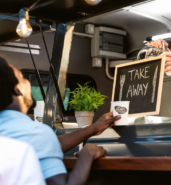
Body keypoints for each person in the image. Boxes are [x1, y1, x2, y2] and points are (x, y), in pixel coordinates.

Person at [0, 56, 121, 185]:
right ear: (17, 89)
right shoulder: (35, 133)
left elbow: (44, 144)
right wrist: (87, 154)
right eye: (22, 77)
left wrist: (94, 128)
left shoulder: (15, 133)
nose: (27, 81)